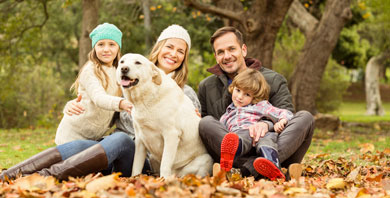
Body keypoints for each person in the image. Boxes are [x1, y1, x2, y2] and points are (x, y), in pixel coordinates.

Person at [0, 24, 199, 181]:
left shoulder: (185, 93)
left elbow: (191, 133)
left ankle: (43, 177)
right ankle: (10, 175)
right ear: (158, 48)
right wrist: (70, 105)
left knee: (122, 140)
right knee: (82, 145)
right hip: (107, 149)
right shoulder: (129, 74)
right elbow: (101, 100)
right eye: (169, 47)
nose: (173, 54)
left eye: (180, 51)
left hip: (139, 158)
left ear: (185, 58)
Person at [198, 26, 315, 180]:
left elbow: (287, 115)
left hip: (271, 145)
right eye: (220, 52)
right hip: (235, 150)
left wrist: (266, 123)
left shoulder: (273, 79)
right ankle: (262, 169)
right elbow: (208, 134)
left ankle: (252, 168)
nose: (226, 56)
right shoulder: (206, 86)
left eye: (232, 49)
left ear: (243, 50)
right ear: (216, 56)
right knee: (205, 123)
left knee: (305, 118)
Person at [218, 68, 293, 180]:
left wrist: (282, 120)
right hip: (242, 138)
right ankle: (233, 150)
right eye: (238, 90)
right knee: (240, 135)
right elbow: (221, 130)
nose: (239, 97)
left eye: (247, 94)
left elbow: (285, 112)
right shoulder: (227, 115)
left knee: (267, 139)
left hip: (262, 134)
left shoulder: (261, 106)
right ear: (232, 88)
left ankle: (271, 164)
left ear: (254, 97)